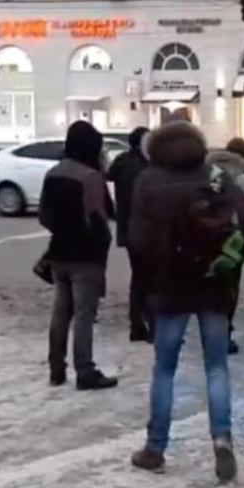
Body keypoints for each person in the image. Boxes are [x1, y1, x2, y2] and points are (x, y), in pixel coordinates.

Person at [128, 121, 244, 482]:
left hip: (168, 288)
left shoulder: (148, 181)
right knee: (216, 366)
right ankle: (222, 442)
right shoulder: (216, 175)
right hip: (213, 283)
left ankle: (155, 448)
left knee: (165, 368)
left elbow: (136, 240)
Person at [40, 120, 118, 391]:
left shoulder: (53, 173)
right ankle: (85, 370)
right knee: (84, 314)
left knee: (61, 311)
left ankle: (56, 368)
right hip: (86, 254)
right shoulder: (90, 176)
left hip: (58, 251)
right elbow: (98, 214)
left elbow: (44, 216)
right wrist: (102, 239)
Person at [207, 138, 244, 355]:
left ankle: (210, 332)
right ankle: (224, 333)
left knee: (210, 285)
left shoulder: (207, 174)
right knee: (230, 286)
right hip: (235, 239)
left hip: (208, 236)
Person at [109, 126, 153, 343]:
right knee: (150, 279)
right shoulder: (144, 166)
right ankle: (150, 326)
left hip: (127, 228)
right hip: (145, 229)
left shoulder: (121, 162)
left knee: (138, 278)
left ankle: (137, 325)